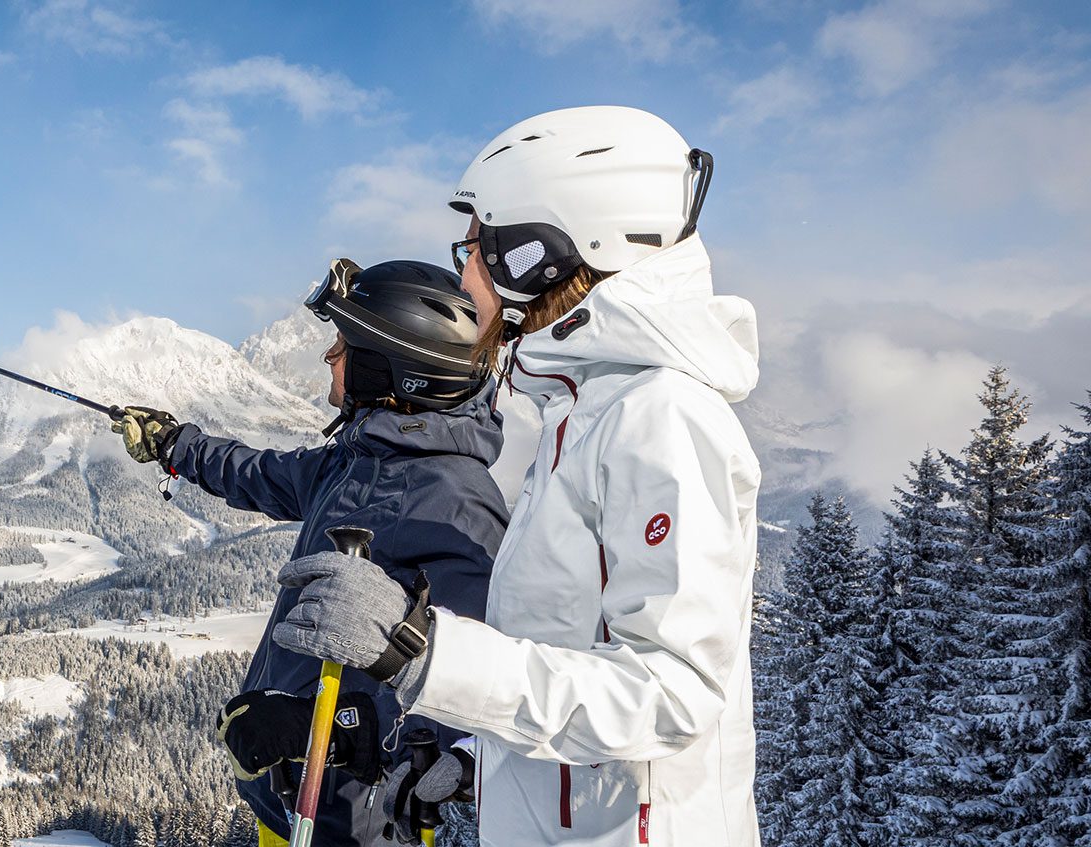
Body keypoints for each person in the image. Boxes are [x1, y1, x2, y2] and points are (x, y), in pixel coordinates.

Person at [267, 105, 761, 845]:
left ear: (540, 255)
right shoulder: (580, 409)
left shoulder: (660, 416)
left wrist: (420, 649)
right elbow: (561, 649)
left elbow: (671, 695)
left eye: (474, 248)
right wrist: (468, 751)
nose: (462, 273)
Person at [110, 259, 509, 845]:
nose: (328, 357)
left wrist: (327, 730)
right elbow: (259, 473)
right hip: (291, 798)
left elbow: (472, 698)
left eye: (342, 345)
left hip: (351, 823)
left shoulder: (449, 502)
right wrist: (176, 445)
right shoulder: (358, 462)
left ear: (385, 369)